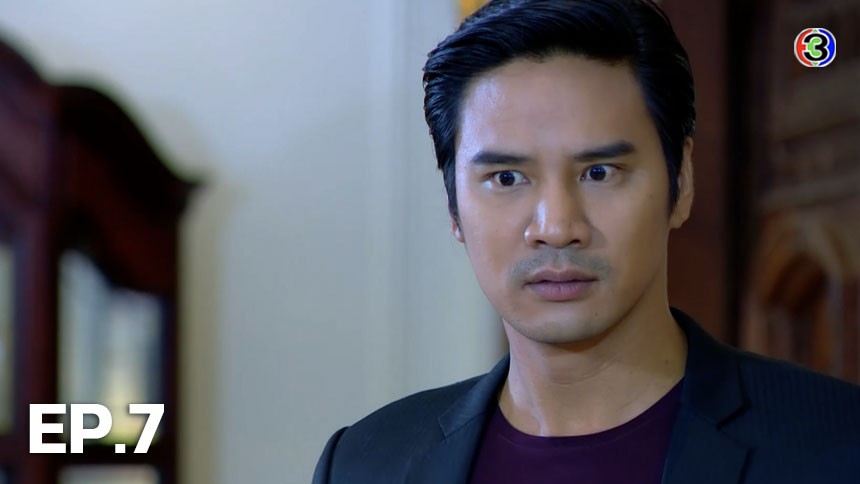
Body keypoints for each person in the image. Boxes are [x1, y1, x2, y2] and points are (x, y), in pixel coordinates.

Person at [312, 1, 860, 482]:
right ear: (453, 206)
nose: (556, 226)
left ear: (682, 182)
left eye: (599, 172)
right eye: (507, 178)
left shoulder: (837, 445)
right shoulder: (365, 463)